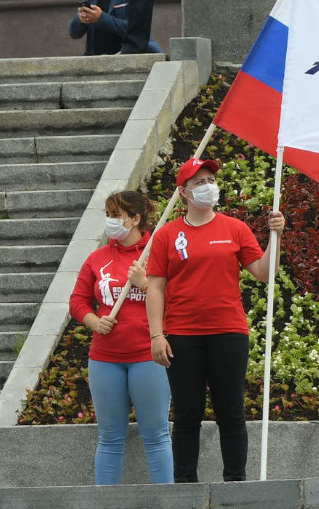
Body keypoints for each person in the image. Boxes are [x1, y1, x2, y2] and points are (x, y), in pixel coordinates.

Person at [141, 158, 273, 482]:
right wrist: (157, 335)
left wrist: (275, 237)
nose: (208, 186)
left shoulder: (235, 229)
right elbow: (155, 287)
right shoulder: (167, 236)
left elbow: (264, 273)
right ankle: (185, 489)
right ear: (184, 192)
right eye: (200, 182)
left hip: (228, 332)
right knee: (187, 414)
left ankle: (236, 485)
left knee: (231, 412)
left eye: (211, 179)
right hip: (183, 334)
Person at [73, 190, 173, 484]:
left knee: (156, 434)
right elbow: (77, 301)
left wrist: (147, 284)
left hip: (148, 356)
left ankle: (167, 507)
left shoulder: (158, 253)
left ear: (135, 219)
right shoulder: (98, 258)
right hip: (105, 359)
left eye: (115, 215)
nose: (110, 221)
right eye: (108, 215)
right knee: (110, 436)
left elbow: (179, 300)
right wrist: (93, 320)